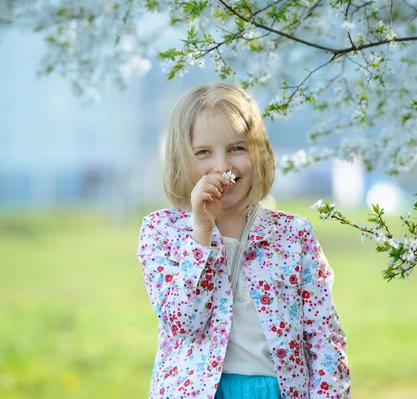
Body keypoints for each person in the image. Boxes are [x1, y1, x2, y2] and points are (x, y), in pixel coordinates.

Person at [137, 83, 351, 399]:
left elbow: (323, 337)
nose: (223, 166)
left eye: (237, 148)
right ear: (182, 160)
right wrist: (201, 233)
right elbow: (184, 325)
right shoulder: (161, 232)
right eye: (203, 152)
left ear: (258, 153)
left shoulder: (293, 235)